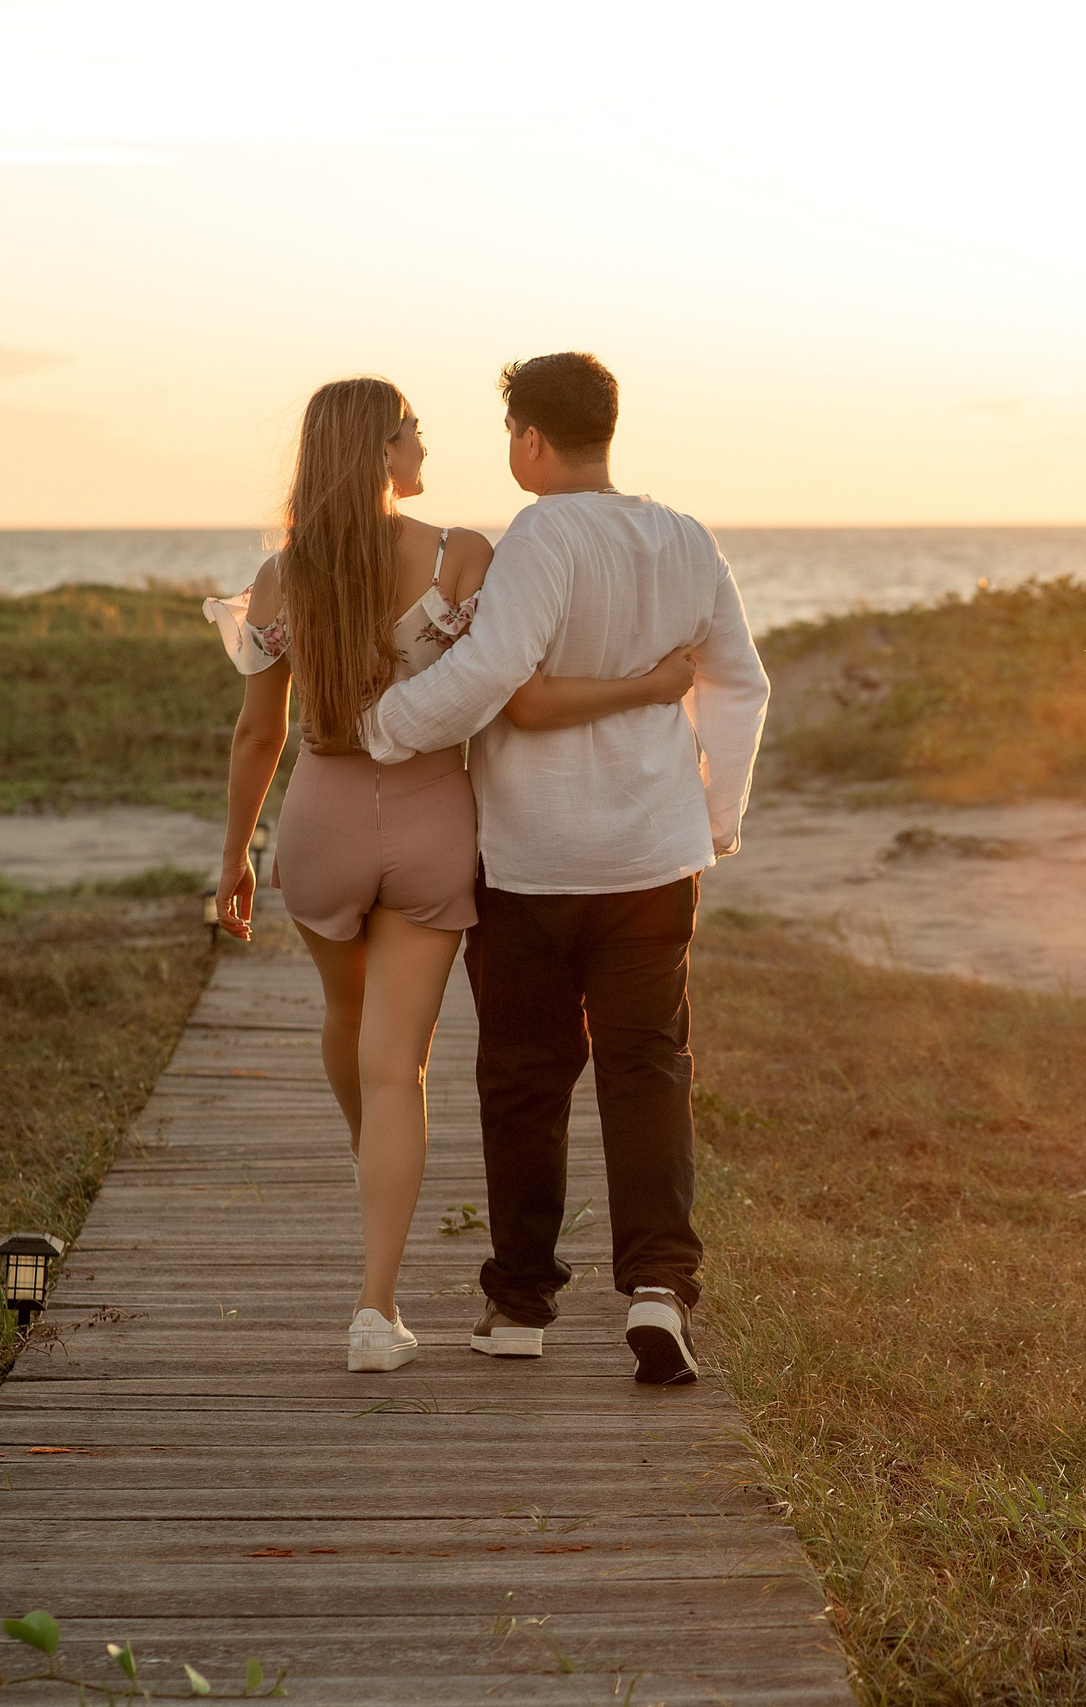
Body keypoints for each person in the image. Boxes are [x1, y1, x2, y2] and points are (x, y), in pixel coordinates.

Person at [208, 375, 699, 1374]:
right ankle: (373, 1311)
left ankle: (381, 1211)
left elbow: (260, 733)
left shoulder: (280, 575)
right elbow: (501, 682)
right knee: (400, 1065)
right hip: (432, 820)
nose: (424, 446)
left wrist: (234, 858)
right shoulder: (460, 555)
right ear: (382, 452)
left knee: (347, 1026)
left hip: (321, 819)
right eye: (413, 433)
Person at [360, 351, 769, 1386]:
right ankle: (660, 1287)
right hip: (654, 857)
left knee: (524, 1076)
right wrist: (715, 818)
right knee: (648, 1069)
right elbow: (740, 683)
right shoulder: (686, 535)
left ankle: (520, 1304)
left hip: (533, 860)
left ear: (531, 439)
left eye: (511, 434)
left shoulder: (540, 534)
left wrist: (385, 728)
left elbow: (493, 671)